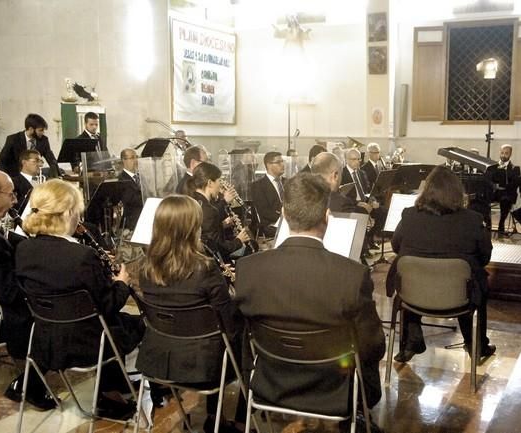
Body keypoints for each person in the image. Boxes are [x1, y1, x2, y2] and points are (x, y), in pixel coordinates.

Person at [234, 173, 385, 433]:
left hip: (271, 381)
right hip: (333, 387)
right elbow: (373, 345)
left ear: (283, 213)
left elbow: (242, 333)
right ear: (327, 217)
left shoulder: (248, 268)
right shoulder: (352, 275)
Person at [15, 179, 143, 419]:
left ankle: (115, 389)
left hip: (48, 342)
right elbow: (108, 305)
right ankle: (113, 393)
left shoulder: (23, 250)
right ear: (67, 213)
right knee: (132, 323)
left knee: (110, 324)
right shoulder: (81, 255)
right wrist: (122, 283)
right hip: (87, 344)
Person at [135, 195, 246, 433]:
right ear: (191, 227)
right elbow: (227, 323)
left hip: (161, 360)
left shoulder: (145, 268)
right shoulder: (204, 268)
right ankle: (228, 419)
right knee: (245, 336)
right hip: (205, 366)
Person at [387, 166, 496, 363]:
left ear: (426, 191)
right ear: (457, 192)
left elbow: (395, 246)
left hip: (413, 297)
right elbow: (484, 257)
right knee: (469, 281)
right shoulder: (472, 220)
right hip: (458, 296)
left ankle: (411, 341)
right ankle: (476, 344)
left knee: (412, 277)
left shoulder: (410, 216)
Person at [0, 169, 56, 410]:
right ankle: (29, 385)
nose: (15, 201)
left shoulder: (0, 232)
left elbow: (5, 241)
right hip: (9, 314)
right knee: (58, 315)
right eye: (11, 195)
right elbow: (9, 293)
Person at [187, 162, 250, 261]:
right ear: (210, 183)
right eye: (219, 181)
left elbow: (206, 232)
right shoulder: (208, 209)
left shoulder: (192, 200)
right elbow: (218, 247)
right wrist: (239, 240)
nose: (220, 186)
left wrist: (221, 225)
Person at [0, 113, 59, 178]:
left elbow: (51, 159)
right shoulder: (13, 139)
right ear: (30, 129)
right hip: (16, 176)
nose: (43, 133)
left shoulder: (44, 140)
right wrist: (6, 179)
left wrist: (55, 174)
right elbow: (2, 162)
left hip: (35, 175)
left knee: (60, 171)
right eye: (40, 130)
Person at [250, 151, 285, 238]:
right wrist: (284, 218)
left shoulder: (288, 182)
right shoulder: (258, 186)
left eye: (282, 161)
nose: (282, 165)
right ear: (268, 165)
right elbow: (264, 212)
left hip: (289, 223)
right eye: (278, 162)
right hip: (270, 225)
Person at [490, 144, 520, 236]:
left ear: (510, 154)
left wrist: (505, 186)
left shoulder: (515, 168)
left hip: (507, 193)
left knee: (505, 201)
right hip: (495, 192)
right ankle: (487, 224)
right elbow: (488, 180)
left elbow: (515, 184)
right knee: (481, 198)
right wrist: (494, 186)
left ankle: (501, 224)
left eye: (506, 153)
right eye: (502, 153)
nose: (503, 155)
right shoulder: (492, 167)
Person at [118, 148, 143, 231]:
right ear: (123, 160)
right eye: (132, 158)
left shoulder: (140, 176)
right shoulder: (121, 179)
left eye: (136, 157)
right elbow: (130, 200)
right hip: (132, 221)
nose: (136, 160)